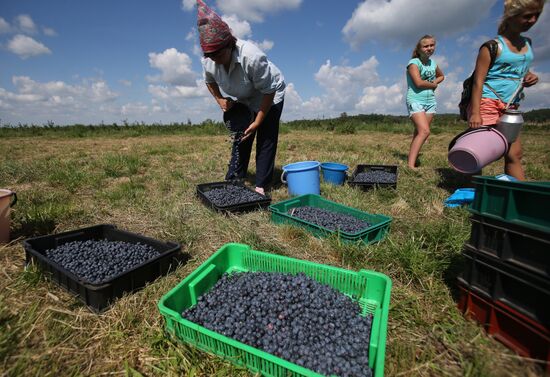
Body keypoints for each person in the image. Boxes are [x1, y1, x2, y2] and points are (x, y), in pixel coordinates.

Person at [197, 0, 286, 195]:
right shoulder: (209, 61)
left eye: (219, 55)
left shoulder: (251, 57)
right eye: (211, 56)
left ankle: (262, 185)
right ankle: (235, 178)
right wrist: (220, 99)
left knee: (265, 136)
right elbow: (209, 82)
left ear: (229, 45)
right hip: (245, 96)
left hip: (268, 93)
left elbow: (269, 91)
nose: (216, 60)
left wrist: (258, 121)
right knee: (241, 135)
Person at [468, 0, 544, 181]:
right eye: (527, 16)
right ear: (511, 16)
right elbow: (478, 82)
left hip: (511, 106)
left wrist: (531, 76)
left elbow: (520, 70)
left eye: (537, 15)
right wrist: (475, 113)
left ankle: (520, 195)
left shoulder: (528, 44)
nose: (533, 20)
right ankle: (475, 190)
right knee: (479, 150)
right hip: (487, 101)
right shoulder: (492, 47)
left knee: (514, 154)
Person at [405, 35, 445, 169]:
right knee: (424, 132)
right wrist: (433, 85)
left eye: (432, 45)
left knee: (419, 132)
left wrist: (436, 81)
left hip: (430, 102)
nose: (429, 48)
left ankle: (412, 160)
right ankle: (410, 167)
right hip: (416, 99)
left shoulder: (433, 64)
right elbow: (418, 83)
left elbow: (441, 76)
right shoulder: (414, 63)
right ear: (419, 48)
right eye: (426, 46)